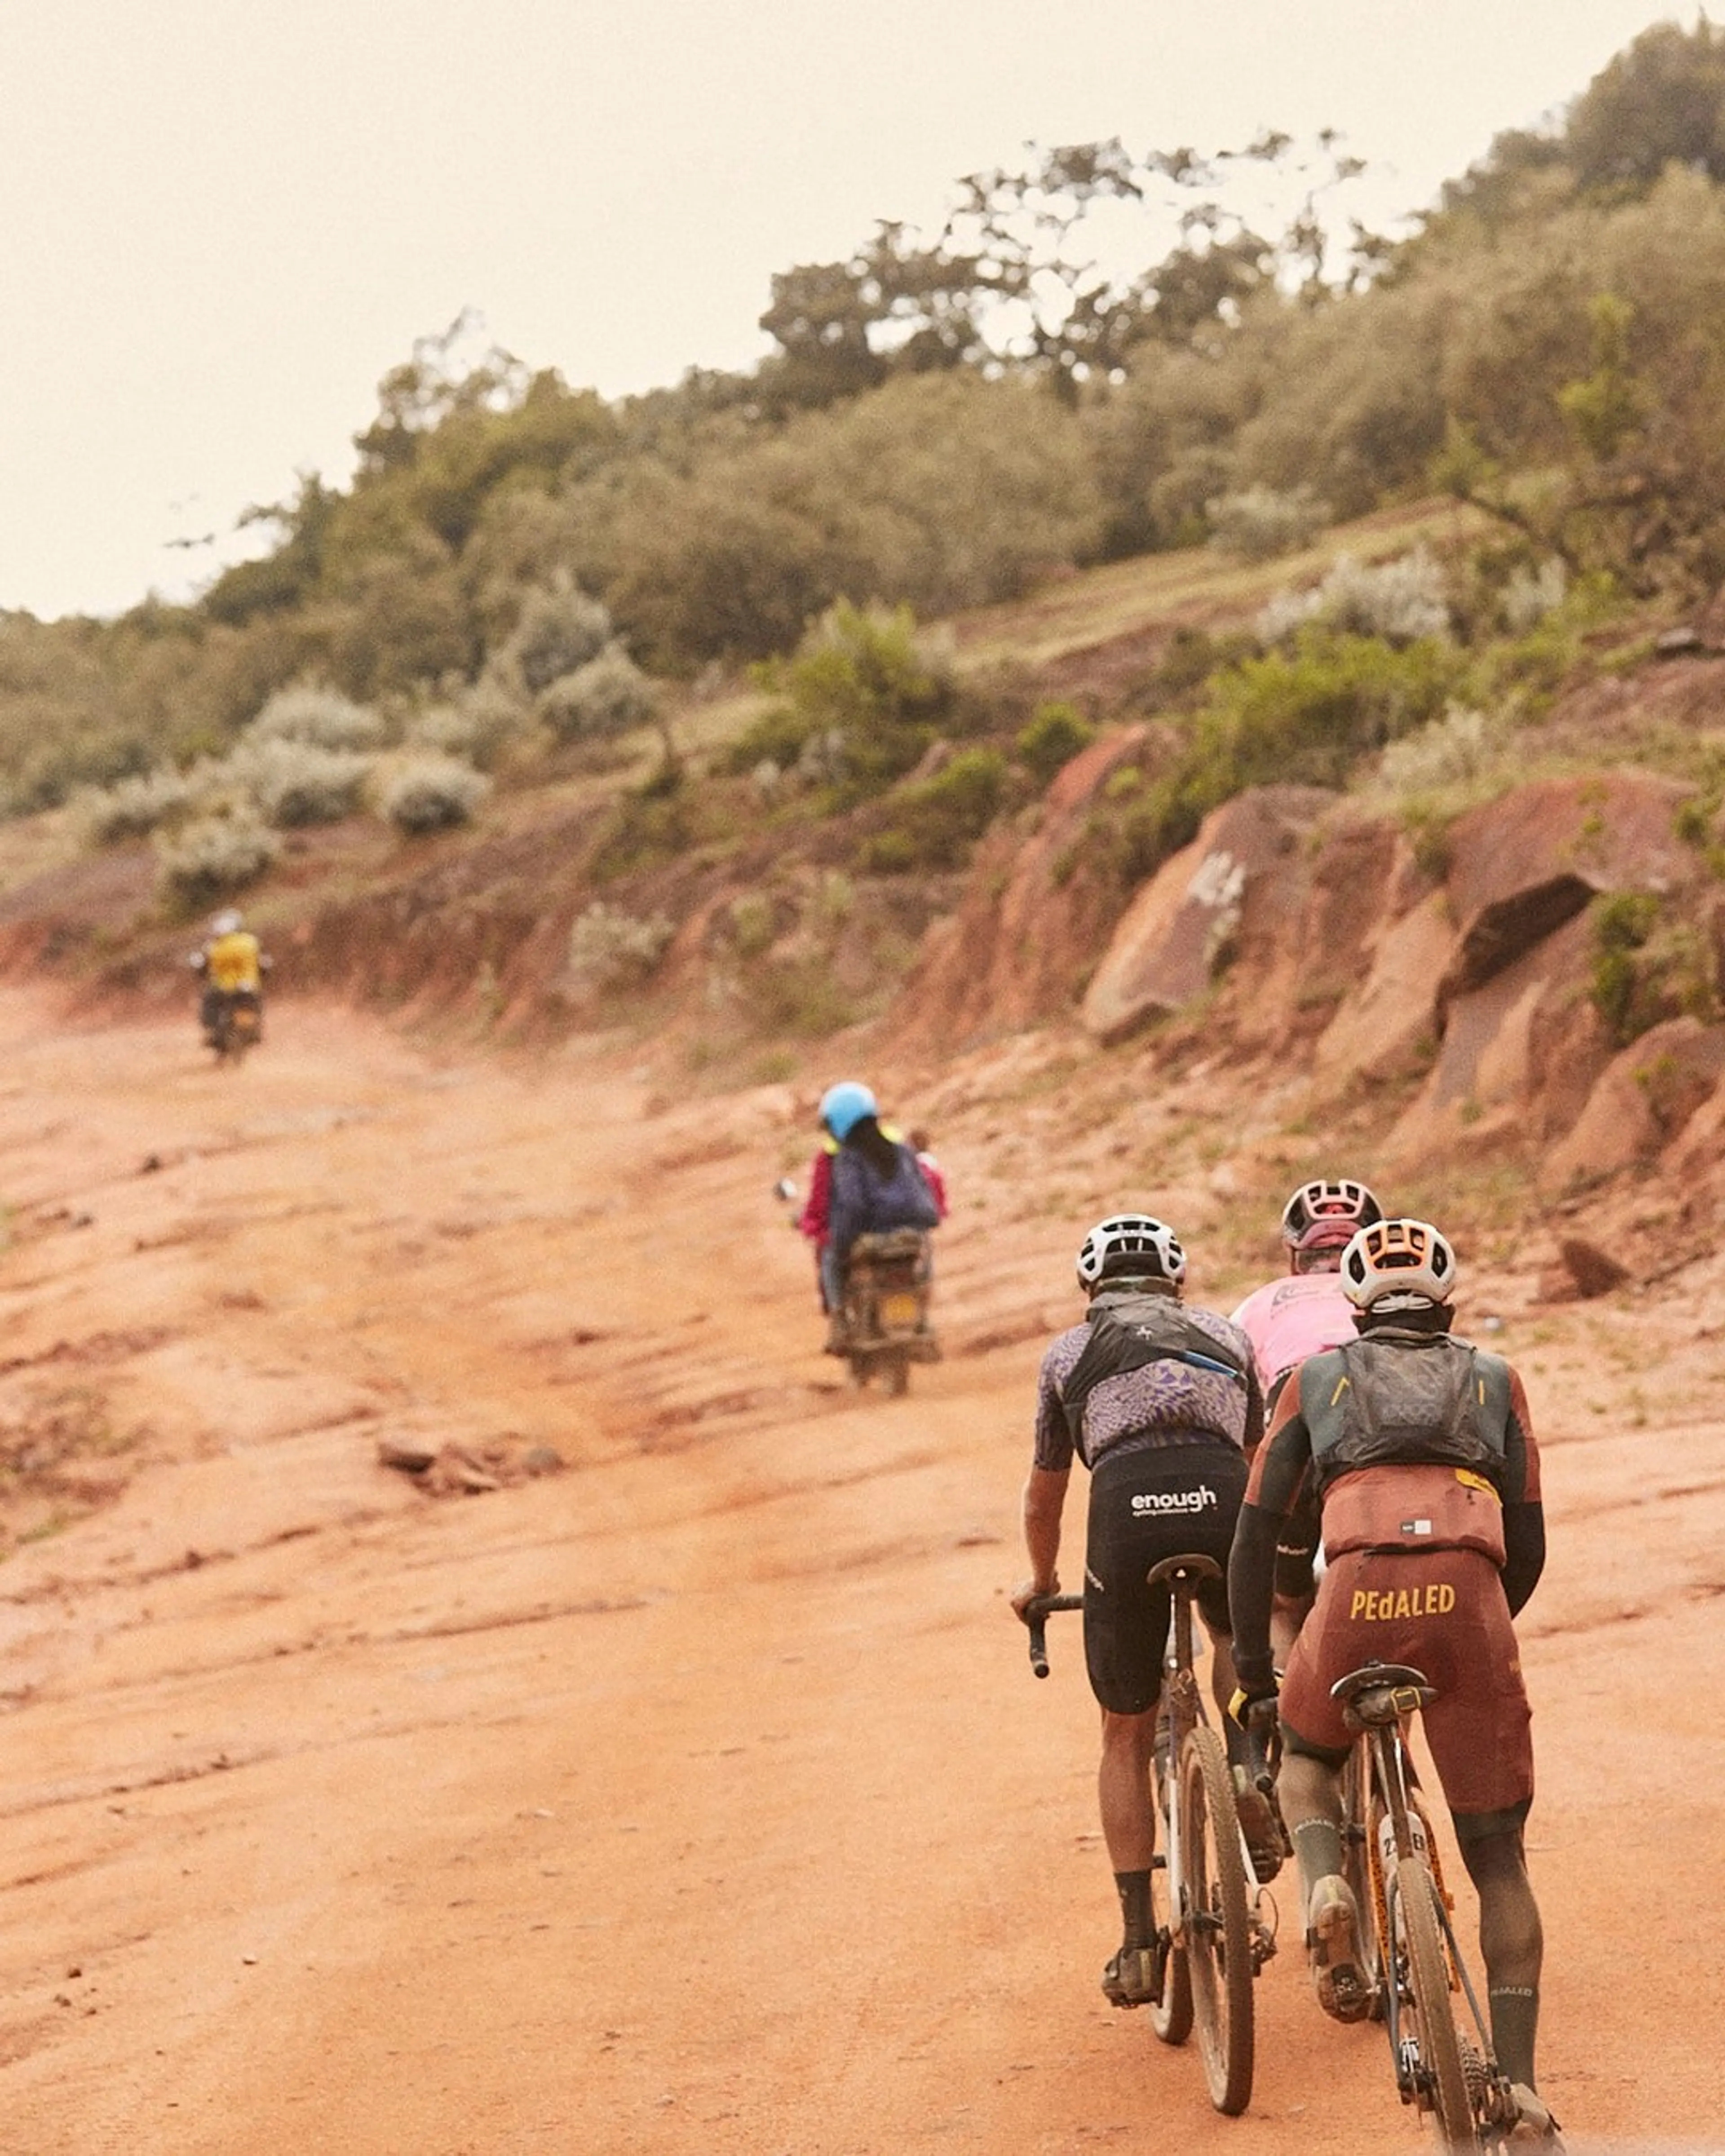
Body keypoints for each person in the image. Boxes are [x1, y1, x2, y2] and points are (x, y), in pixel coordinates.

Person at [1227, 1219, 1561, 2147]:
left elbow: (1257, 1538)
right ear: (1447, 1301)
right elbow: (1528, 1542)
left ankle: (1328, 1879)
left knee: (1304, 1754)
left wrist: (1257, 1670)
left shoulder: (1313, 1381)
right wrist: (1482, 1625)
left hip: (1355, 1588)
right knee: (1499, 1860)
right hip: (1474, 1591)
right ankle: (1523, 2088)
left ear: (1355, 1306)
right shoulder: (1496, 1379)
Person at [1010, 1213, 1274, 2012]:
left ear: (1090, 1288)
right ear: (1177, 1284)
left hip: (1124, 1509)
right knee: (1231, 1631)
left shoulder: (1067, 1353)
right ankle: (1243, 1763)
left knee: (1125, 1730)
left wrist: (1040, 1578)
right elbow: (1259, 1459)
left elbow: (1046, 1489)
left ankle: (1134, 1939)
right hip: (1221, 1493)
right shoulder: (1227, 1336)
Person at [1230, 1178, 1383, 1660]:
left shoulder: (1260, 1304)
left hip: (1297, 1447)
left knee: (1282, 1605)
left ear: (1294, 1255)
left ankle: (1280, 1712)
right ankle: (1393, 1729)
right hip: (1389, 1450)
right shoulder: (1394, 1299)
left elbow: (1244, 1421)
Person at [823, 1091, 940, 1349]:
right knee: (924, 1262)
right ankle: (923, 1319)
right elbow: (923, 1195)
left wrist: (841, 1243)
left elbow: (851, 1206)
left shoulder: (848, 1159)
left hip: (873, 1239)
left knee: (830, 1260)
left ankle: (840, 1322)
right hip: (911, 1234)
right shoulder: (902, 1151)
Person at [190, 909, 270, 1040]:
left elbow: (202, 967)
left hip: (222, 986)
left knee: (209, 1003)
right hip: (248, 984)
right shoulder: (250, 942)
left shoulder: (213, 947)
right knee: (256, 999)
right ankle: (256, 1027)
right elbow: (263, 964)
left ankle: (211, 1031)